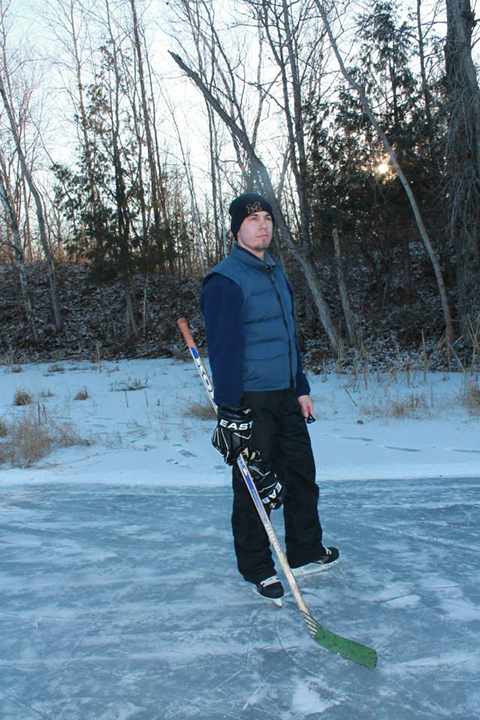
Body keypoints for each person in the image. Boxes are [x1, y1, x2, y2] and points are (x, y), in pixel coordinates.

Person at [200, 192, 339, 603]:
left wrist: (301, 388)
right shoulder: (224, 280)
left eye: (267, 218)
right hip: (251, 399)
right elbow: (224, 350)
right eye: (253, 219)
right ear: (236, 228)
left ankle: (305, 551)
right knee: (254, 486)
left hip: (285, 394)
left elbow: (289, 338)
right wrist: (230, 410)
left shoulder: (277, 273)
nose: (263, 225)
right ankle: (257, 568)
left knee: (301, 475)